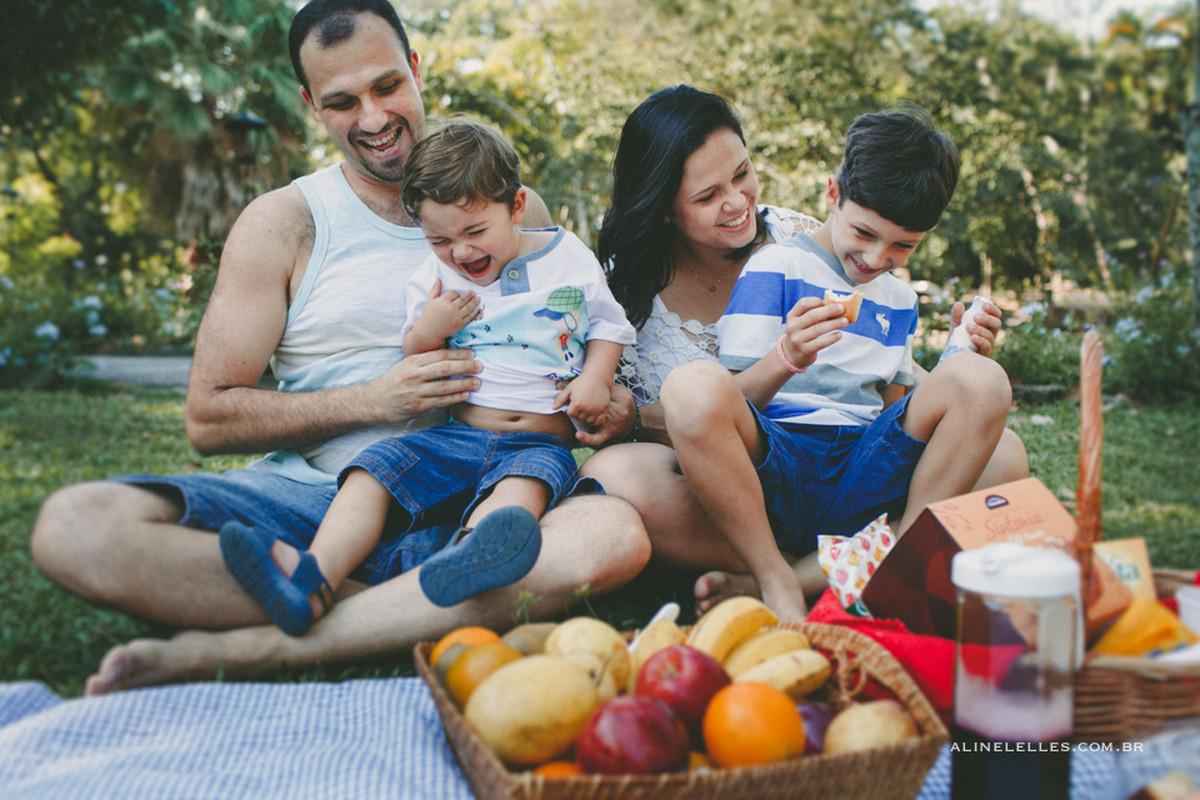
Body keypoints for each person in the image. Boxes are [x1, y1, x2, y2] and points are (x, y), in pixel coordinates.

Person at [29, 0, 649, 694]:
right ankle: (408, 605)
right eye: (342, 101)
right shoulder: (284, 223)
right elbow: (209, 418)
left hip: (482, 488)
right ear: (310, 105)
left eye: (387, 86)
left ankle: (290, 623)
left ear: (416, 69)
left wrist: (606, 395)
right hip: (315, 501)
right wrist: (373, 399)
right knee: (76, 526)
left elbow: (580, 333)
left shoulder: (512, 213)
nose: (375, 119)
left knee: (613, 533)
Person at [580, 86, 1026, 614]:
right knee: (618, 472)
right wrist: (785, 358)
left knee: (1003, 444)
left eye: (742, 173)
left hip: (859, 468)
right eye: (707, 196)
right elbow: (711, 402)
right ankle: (801, 570)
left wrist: (960, 359)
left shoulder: (823, 248)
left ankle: (832, 572)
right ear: (663, 208)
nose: (738, 203)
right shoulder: (620, 293)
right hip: (748, 480)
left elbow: (888, 391)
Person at [220, 120, 635, 633]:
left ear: (517, 207)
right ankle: (313, 577)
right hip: (457, 434)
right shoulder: (438, 277)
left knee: (519, 494)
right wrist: (429, 329)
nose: (461, 252)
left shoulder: (565, 256)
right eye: (439, 239)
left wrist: (596, 378)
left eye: (475, 232)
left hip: (538, 441)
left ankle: (467, 561)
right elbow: (416, 350)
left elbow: (610, 326)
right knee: (374, 471)